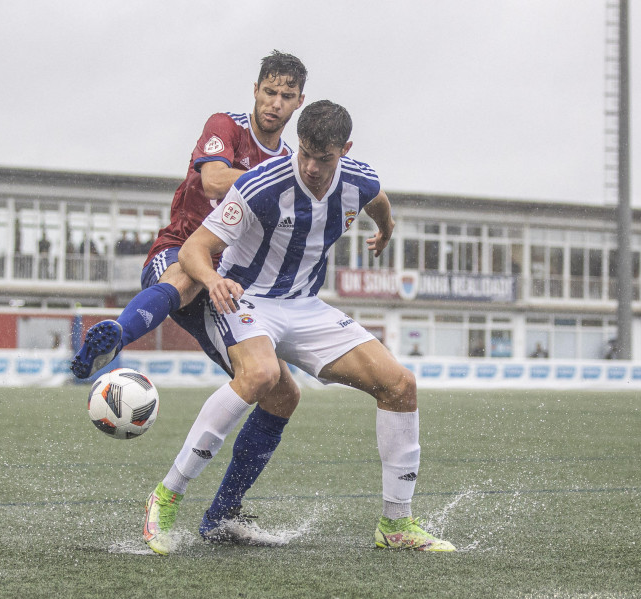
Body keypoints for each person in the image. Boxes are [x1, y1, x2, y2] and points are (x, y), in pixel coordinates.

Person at [142, 100, 455, 555]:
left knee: (400, 384)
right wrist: (212, 280)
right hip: (248, 298)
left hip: (305, 306)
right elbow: (194, 249)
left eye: (323, 158)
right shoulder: (259, 185)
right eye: (304, 152)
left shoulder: (359, 178)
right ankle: (166, 495)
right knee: (262, 376)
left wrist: (385, 229)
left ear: (344, 151)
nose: (310, 166)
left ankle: (396, 524)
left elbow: (378, 200)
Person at [70, 50, 307, 379]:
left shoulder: (288, 161)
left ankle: (213, 432)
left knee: (276, 387)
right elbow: (213, 182)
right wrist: (277, 180)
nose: (275, 103)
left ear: (299, 102)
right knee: (188, 274)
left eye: (286, 96)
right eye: (269, 92)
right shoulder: (225, 127)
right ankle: (115, 338)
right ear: (255, 90)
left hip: (226, 286)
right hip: (178, 252)